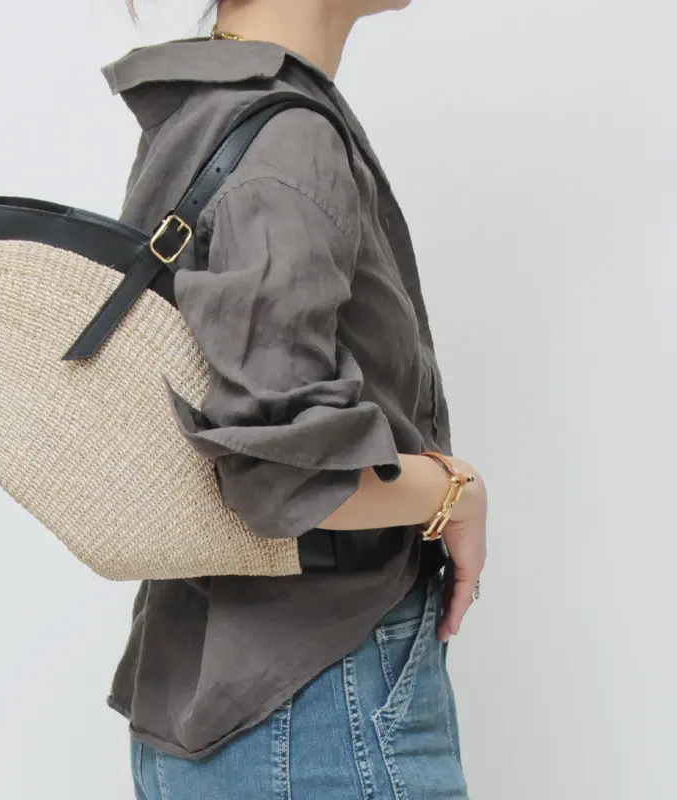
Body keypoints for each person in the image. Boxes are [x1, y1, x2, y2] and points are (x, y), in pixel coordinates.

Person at [107, 1, 488, 797]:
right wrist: (454, 494)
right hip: (319, 707)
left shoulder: (205, 108)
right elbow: (282, 476)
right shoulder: (284, 138)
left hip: (234, 692)